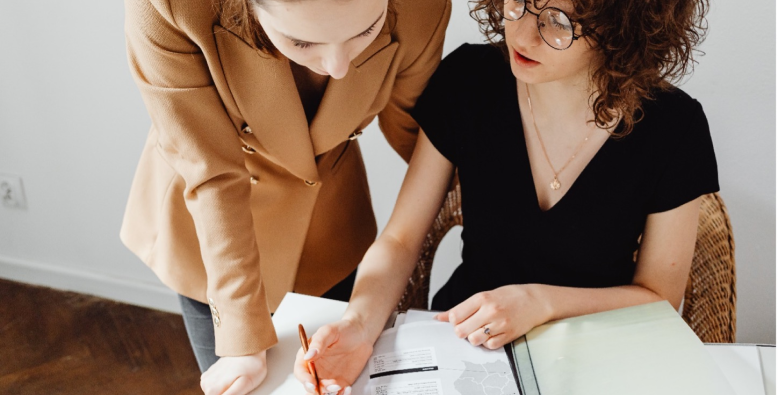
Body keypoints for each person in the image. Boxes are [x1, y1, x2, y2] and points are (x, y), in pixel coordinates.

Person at [293, 0, 717, 393]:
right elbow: (401, 239)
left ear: (623, 29)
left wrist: (539, 301)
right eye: (518, 3)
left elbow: (659, 296)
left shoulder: (674, 127)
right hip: (464, 343)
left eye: (558, 23)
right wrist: (358, 324)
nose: (523, 35)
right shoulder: (469, 79)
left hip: (596, 351)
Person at [120, 0, 451, 393]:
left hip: (330, 224)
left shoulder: (421, 7)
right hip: (214, 237)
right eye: (302, 42)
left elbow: (420, 136)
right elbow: (212, 171)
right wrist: (242, 334)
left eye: (366, 31)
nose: (338, 66)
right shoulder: (172, 7)